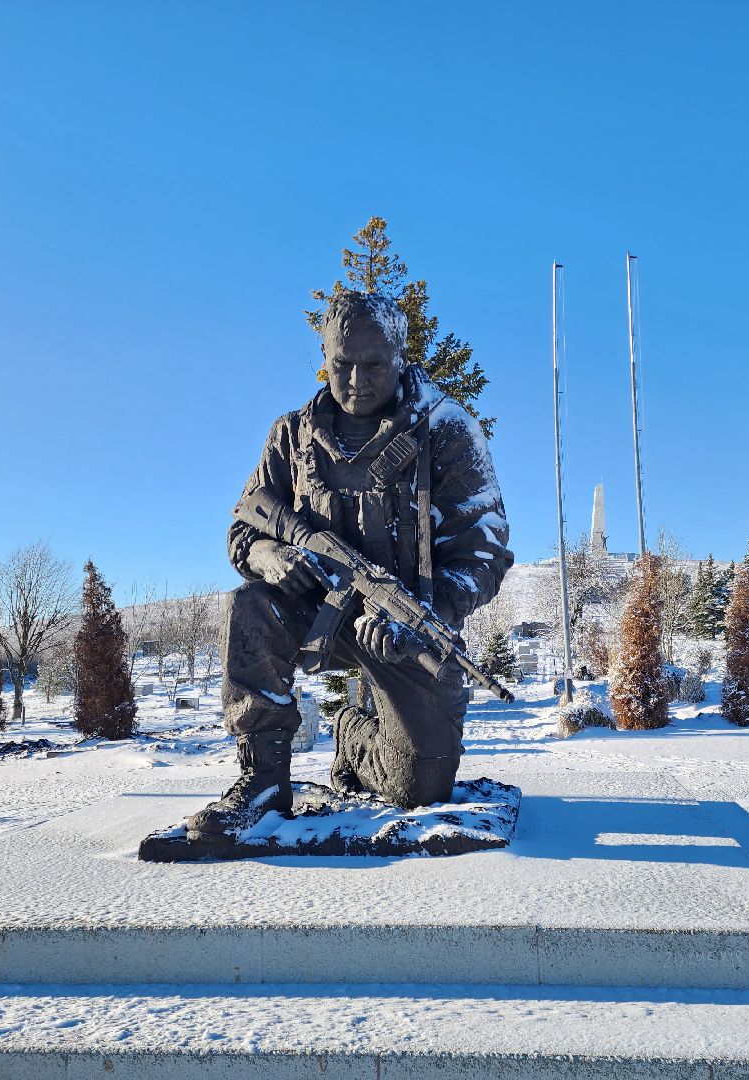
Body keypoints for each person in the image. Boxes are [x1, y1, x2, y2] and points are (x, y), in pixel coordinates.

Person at [187, 290, 512, 839]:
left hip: (401, 625)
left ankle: (353, 738)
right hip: (314, 611)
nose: (357, 379)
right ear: (324, 355)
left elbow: (485, 551)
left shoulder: (447, 429)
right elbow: (245, 525)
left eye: (374, 364)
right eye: (343, 364)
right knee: (247, 606)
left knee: (422, 786)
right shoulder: (290, 436)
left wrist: (425, 615)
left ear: (401, 356)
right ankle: (263, 780)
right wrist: (270, 557)